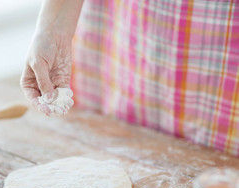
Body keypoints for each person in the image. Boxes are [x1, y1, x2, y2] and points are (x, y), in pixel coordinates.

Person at [20, 0, 239, 157]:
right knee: (115, 148)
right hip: (124, 29)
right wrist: (52, 30)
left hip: (222, 40)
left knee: (214, 178)